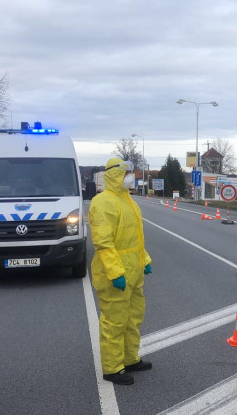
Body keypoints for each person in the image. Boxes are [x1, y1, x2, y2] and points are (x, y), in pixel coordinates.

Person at [88, 157, 153, 385]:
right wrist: (116, 273)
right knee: (115, 321)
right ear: (115, 174)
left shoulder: (129, 201)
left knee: (133, 318)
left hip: (133, 272)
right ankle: (113, 368)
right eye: (127, 173)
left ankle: (129, 358)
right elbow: (103, 243)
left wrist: (144, 259)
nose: (131, 177)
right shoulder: (102, 202)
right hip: (115, 274)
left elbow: (136, 238)